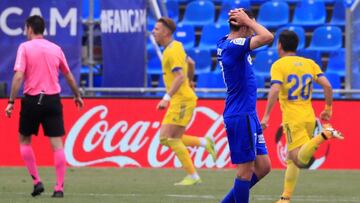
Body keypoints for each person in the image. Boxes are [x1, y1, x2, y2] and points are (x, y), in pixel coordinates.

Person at [260, 30, 344, 203]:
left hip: (292, 118)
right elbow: (328, 86)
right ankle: (285, 197)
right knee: (292, 160)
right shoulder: (309, 63)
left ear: (280, 45)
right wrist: (328, 108)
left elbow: (275, 89)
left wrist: (266, 115)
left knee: (299, 160)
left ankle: (324, 135)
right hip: (309, 117)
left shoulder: (279, 65)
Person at [5, 15, 84, 198]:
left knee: (24, 140)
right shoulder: (56, 49)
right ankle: (59, 188)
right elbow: (69, 76)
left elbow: (18, 76)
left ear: (30, 28)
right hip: (52, 100)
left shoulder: (24, 47)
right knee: (57, 145)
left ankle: (36, 181)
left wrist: (11, 102)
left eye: (26, 29)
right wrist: (77, 95)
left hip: (33, 100)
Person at [216, 8, 274, 203]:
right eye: (250, 22)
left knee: (264, 167)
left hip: (248, 113)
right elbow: (267, 37)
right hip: (240, 114)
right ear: (243, 25)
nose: (253, 26)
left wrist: (241, 19)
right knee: (244, 172)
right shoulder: (234, 46)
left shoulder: (226, 42)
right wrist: (248, 21)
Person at [152, 17, 216, 186]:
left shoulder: (171, 51)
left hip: (181, 100)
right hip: (183, 98)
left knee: (167, 138)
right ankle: (204, 142)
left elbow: (179, 75)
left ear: (166, 32)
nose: (153, 32)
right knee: (173, 137)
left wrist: (166, 98)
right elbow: (191, 63)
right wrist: (190, 81)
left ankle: (193, 177)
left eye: (157, 29)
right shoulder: (176, 47)